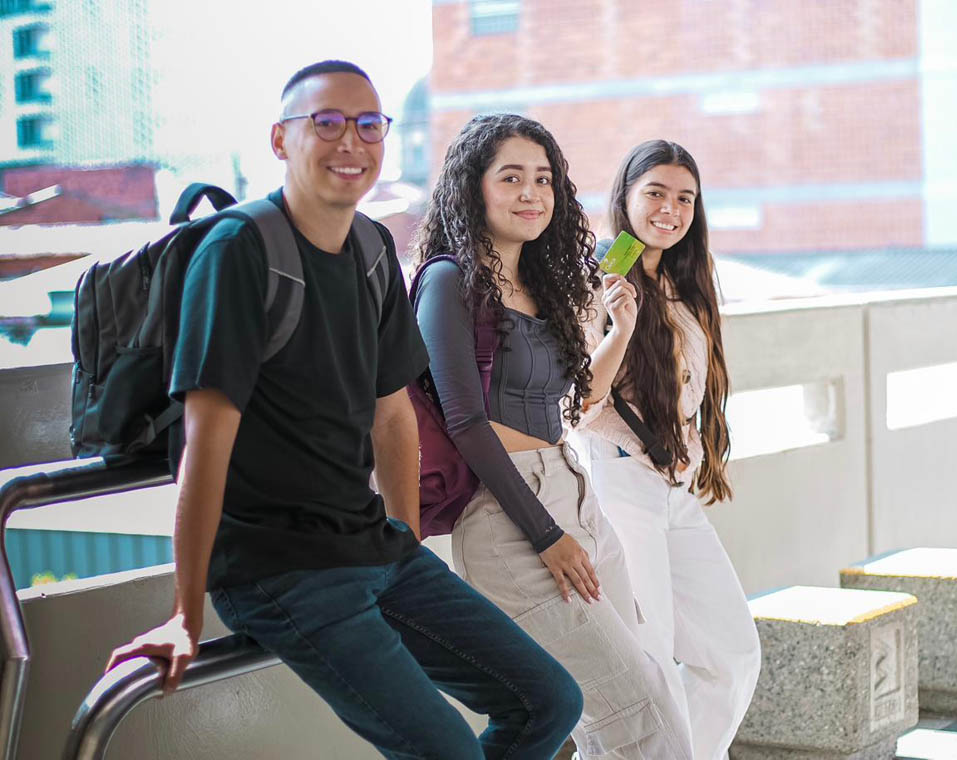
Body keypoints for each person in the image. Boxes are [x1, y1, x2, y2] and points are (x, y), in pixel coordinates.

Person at [105, 61, 582, 760]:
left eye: (368, 125)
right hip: (282, 569)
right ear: (280, 140)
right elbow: (204, 443)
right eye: (325, 123)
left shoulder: (369, 248)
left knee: (549, 703)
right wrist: (183, 612)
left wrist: (408, 548)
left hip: (373, 546)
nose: (350, 142)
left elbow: (393, 416)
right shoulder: (238, 251)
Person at [413, 114, 692, 759]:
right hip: (512, 517)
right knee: (646, 722)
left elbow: (570, 407)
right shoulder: (448, 281)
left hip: (574, 491)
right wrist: (546, 535)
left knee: (630, 704)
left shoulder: (542, 286)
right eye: (511, 177)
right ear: (472, 186)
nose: (531, 192)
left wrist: (617, 333)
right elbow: (465, 421)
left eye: (543, 179)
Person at [571, 139, 762, 760]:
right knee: (647, 665)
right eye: (654, 192)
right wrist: (616, 325)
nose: (669, 209)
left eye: (685, 198)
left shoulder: (686, 282)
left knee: (732, 655)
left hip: (674, 492)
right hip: (620, 486)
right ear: (624, 198)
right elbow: (579, 405)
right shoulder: (600, 277)